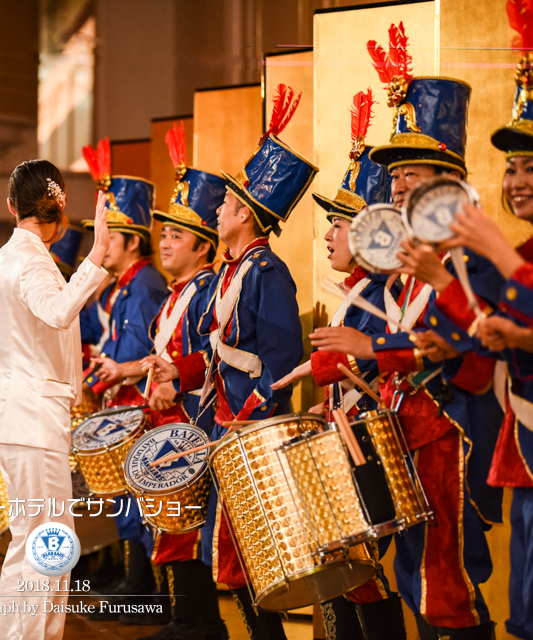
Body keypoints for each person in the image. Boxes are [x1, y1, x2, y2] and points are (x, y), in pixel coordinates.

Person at [313, 27, 502, 639]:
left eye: (411, 173)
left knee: (446, 578)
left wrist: (377, 351)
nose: (395, 186)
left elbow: (470, 357)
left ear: (446, 183)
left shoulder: (471, 257)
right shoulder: (410, 270)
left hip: (451, 435)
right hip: (410, 433)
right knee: (420, 574)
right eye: (394, 177)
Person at [147, 83, 315, 639]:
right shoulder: (230, 271)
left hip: (250, 425)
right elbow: (220, 353)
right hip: (224, 421)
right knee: (230, 548)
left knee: (248, 550)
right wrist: (184, 371)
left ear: (245, 214)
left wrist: (258, 413)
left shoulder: (269, 273)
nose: (216, 210)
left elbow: (283, 357)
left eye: (224, 204)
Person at [412, 12, 533, 637]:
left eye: (416, 174)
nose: (516, 182)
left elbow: (499, 332)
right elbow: (491, 328)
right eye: (512, 169)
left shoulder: (497, 252)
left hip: (465, 419)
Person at [271, 90, 406, 640]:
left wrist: (339, 363)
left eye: (340, 224)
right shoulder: (359, 291)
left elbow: (387, 364)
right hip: (347, 438)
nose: (328, 235)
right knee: (346, 567)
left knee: (362, 568)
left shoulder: (386, 291)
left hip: (376, 443)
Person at [0, 159, 110, 640]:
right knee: (49, 545)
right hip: (32, 418)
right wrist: (96, 256)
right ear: (60, 208)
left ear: (11, 206)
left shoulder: (9, 256)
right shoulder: (31, 260)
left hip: (21, 416)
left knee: (30, 544)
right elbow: (56, 312)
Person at [118, 122, 227, 640]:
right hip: (166, 422)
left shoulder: (204, 291)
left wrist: (175, 379)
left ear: (205, 248)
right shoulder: (172, 293)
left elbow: (213, 355)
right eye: (162, 232)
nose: (164, 241)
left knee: (187, 529)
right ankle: (189, 620)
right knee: (168, 526)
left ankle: (198, 623)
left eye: (177, 234)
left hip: (191, 424)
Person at [80, 138, 169, 615]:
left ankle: (143, 590)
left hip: (139, 406)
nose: (102, 244)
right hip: (123, 403)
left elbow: (141, 351)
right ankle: (134, 584)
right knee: (125, 503)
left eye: (110, 236)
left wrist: (116, 370)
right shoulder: (125, 287)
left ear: (134, 241)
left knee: (140, 505)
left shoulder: (145, 284)